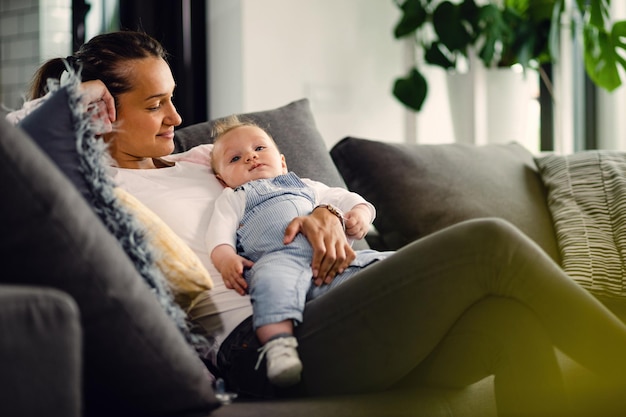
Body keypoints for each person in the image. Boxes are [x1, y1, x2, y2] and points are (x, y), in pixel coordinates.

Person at [14, 30, 626, 416]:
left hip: (333, 293)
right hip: (261, 337)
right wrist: (79, 94)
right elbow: (25, 142)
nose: (177, 115)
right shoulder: (103, 186)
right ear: (100, 112)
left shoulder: (202, 156)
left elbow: (294, 186)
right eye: (154, 105)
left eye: (173, 95)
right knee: (488, 242)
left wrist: (325, 212)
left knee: (508, 322)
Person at [207, 115, 393, 387]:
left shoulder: (306, 186)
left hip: (333, 260)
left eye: (259, 148)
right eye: (235, 158)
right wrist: (225, 259)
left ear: (282, 162)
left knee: (382, 263)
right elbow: (218, 233)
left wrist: (361, 216)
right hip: (278, 258)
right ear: (223, 181)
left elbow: (348, 198)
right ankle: (280, 347)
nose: (250, 157)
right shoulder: (235, 197)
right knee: (268, 285)